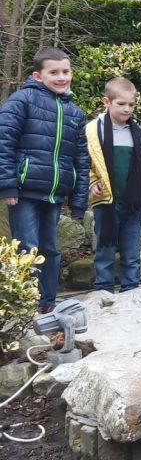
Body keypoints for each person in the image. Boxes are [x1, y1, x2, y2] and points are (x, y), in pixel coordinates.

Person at [0, 47, 89, 313]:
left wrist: (78, 200)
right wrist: (7, 184)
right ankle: (26, 304)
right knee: (27, 247)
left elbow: (81, 159)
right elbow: (4, 142)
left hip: (54, 193)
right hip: (24, 191)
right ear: (38, 76)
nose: (62, 77)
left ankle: (47, 303)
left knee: (50, 249)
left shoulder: (75, 113)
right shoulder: (22, 100)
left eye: (66, 71)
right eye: (54, 72)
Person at [86, 77, 141, 293]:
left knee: (131, 248)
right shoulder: (94, 131)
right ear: (106, 102)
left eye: (131, 104)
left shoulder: (140, 133)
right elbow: (85, 163)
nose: (127, 109)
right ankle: (103, 289)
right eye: (121, 104)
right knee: (105, 247)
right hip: (107, 200)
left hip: (133, 202)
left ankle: (131, 288)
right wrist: (92, 182)